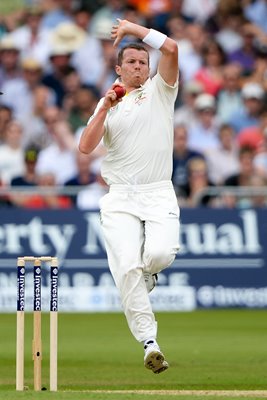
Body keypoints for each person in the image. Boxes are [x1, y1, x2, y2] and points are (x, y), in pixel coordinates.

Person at [79, 18, 180, 374]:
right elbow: (86, 147)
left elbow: (171, 48)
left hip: (157, 192)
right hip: (119, 196)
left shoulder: (161, 90)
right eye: (132, 63)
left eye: (143, 63)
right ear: (119, 68)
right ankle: (150, 343)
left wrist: (133, 29)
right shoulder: (107, 103)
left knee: (158, 254)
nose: (139, 68)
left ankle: (151, 276)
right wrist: (105, 106)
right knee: (126, 267)